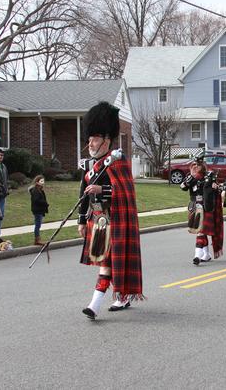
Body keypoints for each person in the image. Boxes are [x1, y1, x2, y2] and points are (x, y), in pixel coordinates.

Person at [78, 101, 144, 320]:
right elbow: (83, 194)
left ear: (106, 140)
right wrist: (80, 220)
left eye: (95, 139)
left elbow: (124, 191)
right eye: (89, 139)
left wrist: (102, 189)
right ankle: (122, 295)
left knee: (107, 263)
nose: (91, 143)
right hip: (96, 221)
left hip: (114, 220)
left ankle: (94, 305)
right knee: (109, 260)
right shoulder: (89, 166)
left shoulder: (117, 161)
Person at [181, 155, 224, 265]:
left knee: (200, 231)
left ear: (203, 166)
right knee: (200, 231)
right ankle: (206, 255)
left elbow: (218, 188)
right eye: (194, 164)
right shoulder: (190, 177)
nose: (196, 167)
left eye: (198, 165)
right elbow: (183, 187)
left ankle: (197, 255)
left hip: (205, 207)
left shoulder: (209, 176)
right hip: (194, 206)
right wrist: (191, 176)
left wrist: (216, 187)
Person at [29, 175, 49, 246]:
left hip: (40, 210)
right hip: (37, 210)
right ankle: (37, 239)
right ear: (37, 182)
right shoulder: (35, 190)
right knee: (37, 225)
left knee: (38, 225)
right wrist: (45, 203)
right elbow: (36, 200)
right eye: (41, 181)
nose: (43, 182)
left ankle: (37, 239)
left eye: (43, 181)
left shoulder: (40, 189)